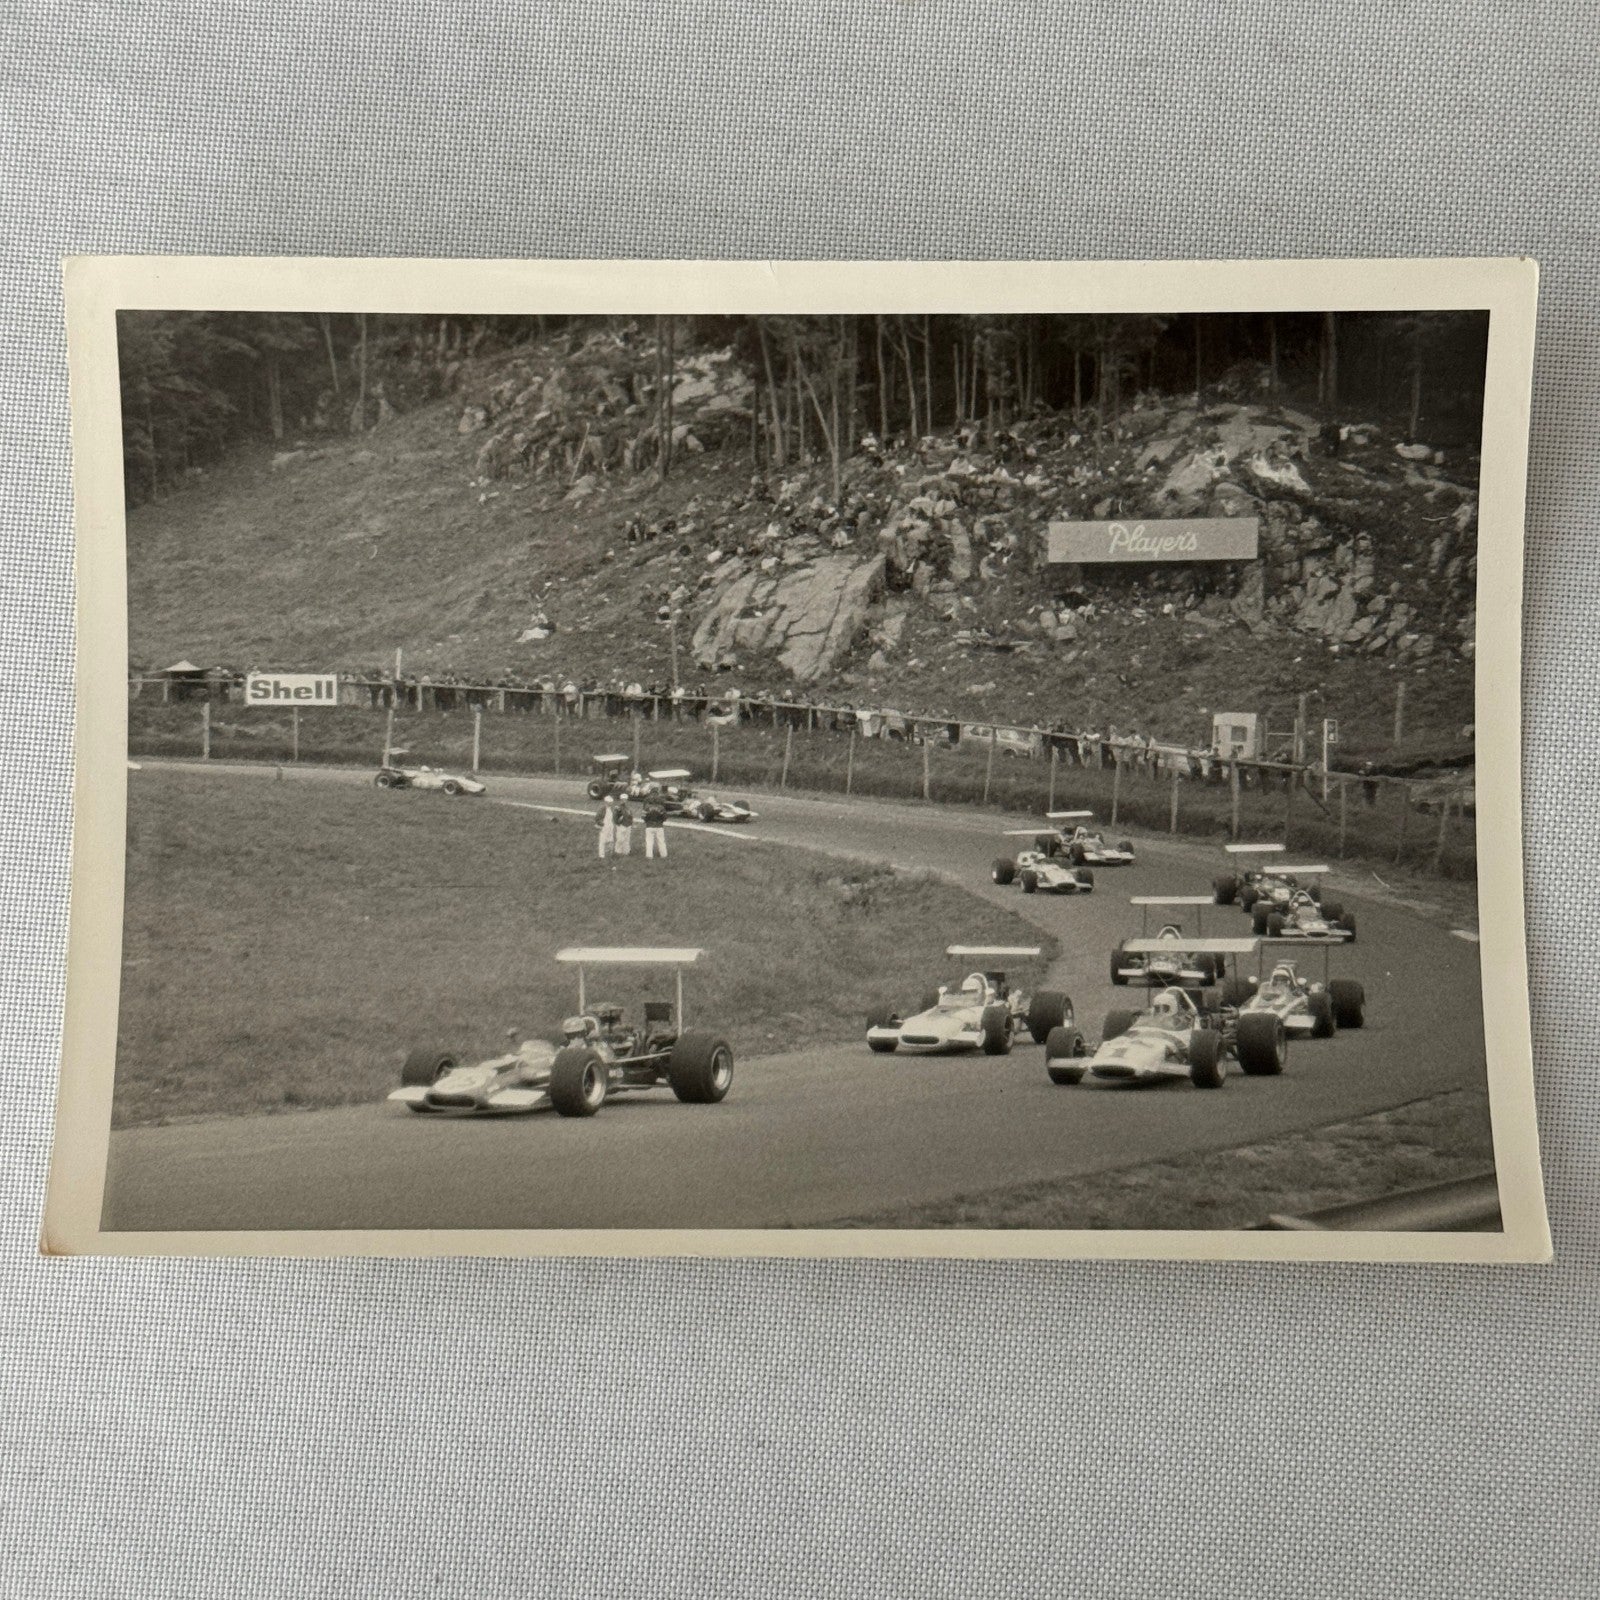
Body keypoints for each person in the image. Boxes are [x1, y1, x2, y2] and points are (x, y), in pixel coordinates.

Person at [595, 795, 616, 860]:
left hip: (610, 826)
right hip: (604, 826)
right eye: (609, 802)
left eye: (611, 802)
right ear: (606, 802)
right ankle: (601, 855)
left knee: (610, 840)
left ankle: (608, 853)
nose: (610, 803)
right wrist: (601, 824)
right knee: (603, 840)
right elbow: (597, 818)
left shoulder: (610, 809)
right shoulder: (602, 809)